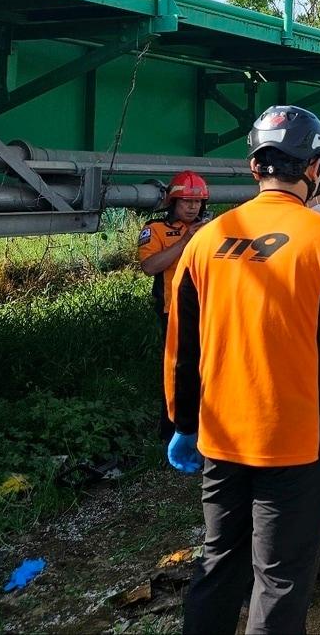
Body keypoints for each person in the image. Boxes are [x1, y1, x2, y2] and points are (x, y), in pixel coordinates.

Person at [164, 105, 320, 634]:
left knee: (219, 561)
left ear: (254, 167)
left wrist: (182, 423)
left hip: (219, 436)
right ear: (315, 168)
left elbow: (181, 349)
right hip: (298, 442)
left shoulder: (204, 240)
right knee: (280, 579)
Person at [138, 170, 210, 438]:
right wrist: (185, 241)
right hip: (174, 312)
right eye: (186, 202)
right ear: (173, 202)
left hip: (210, 309)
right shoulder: (154, 229)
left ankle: (207, 427)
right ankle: (172, 432)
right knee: (179, 371)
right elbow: (149, 266)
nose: (192, 207)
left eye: (197, 202)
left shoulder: (209, 228)